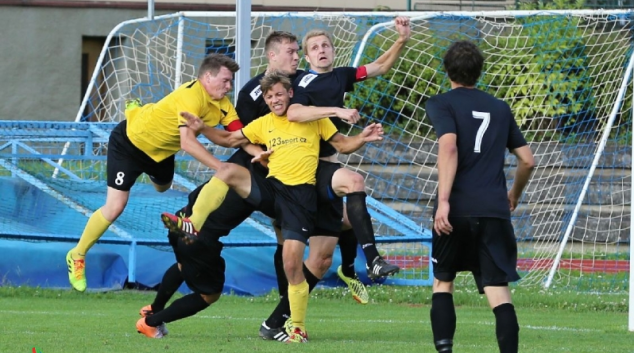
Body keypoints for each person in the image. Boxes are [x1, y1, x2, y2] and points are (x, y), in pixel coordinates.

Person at [161, 72, 385, 343]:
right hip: (271, 189)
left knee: (292, 265)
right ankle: (193, 223)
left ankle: (297, 326)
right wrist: (202, 129)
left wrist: (363, 137)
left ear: (290, 94)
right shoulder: (263, 123)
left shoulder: (315, 121)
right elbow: (230, 140)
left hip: (299, 199)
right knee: (229, 170)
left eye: (279, 94)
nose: (274, 100)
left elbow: (343, 145)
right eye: (269, 96)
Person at [65, 54, 256, 292]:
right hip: (130, 144)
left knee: (163, 186)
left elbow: (239, 137)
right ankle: (78, 254)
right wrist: (221, 168)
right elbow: (187, 143)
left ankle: (138, 110)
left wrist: (262, 154)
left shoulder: (224, 105)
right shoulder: (191, 97)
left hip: (161, 153)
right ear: (207, 77)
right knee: (115, 206)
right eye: (226, 80)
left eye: (231, 82)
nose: (229, 87)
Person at [235, 31, 370, 309]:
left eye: (299, 51)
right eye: (291, 52)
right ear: (272, 56)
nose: (297, 57)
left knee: (346, 219)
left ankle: (348, 269)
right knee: (286, 242)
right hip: (276, 174)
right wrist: (260, 155)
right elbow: (240, 136)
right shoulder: (250, 93)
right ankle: (285, 308)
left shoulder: (304, 82)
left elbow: (333, 135)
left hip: (315, 168)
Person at [425, 40, 535, 353]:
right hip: (493, 209)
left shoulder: (441, 103)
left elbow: (448, 146)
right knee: (498, 290)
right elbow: (527, 160)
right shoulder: (500, 108)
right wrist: (512, 194)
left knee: (443, 281)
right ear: (480, 72)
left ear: (447, 71)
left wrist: (443, 201)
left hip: (456, 209)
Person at [286, 17, 411, 282]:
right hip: (305, 167)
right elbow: (294, 113)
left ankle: (346, 270)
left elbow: (380, 66)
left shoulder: (341, 75)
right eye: (315, 48)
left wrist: (401, 40)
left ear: (333, 50)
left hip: (330, 160)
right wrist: (337, 110)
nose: (321, 50)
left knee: (321, 259)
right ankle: (372, 260)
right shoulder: (305, 82)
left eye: (325, 45)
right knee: (354, 182)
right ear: (307, 57)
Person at [136, 173, 275, 338]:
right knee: (210, 294)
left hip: (182, 218)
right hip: (198, 235)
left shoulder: (238, 163)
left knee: (183, 266)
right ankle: (150, 323)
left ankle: (154, 309)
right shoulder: (265, 182)